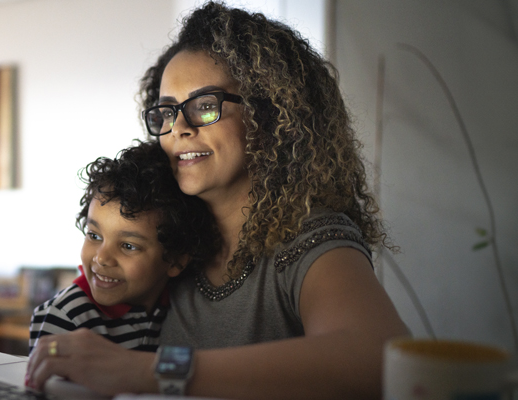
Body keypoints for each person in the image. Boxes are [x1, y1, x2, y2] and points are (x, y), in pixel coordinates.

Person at [26, 2, 410, 399]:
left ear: (270, 116)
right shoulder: (174, 239)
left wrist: (149, 371)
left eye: (205, 106)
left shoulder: (309, 238)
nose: (178, 128)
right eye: (166, 112)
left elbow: (377, 358)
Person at [28, 140, 219, 354]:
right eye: (94, 235)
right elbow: (46, 384)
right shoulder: (67, 316)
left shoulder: (179, 306)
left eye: (128, 246)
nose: (102, 258)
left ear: (176, 260)